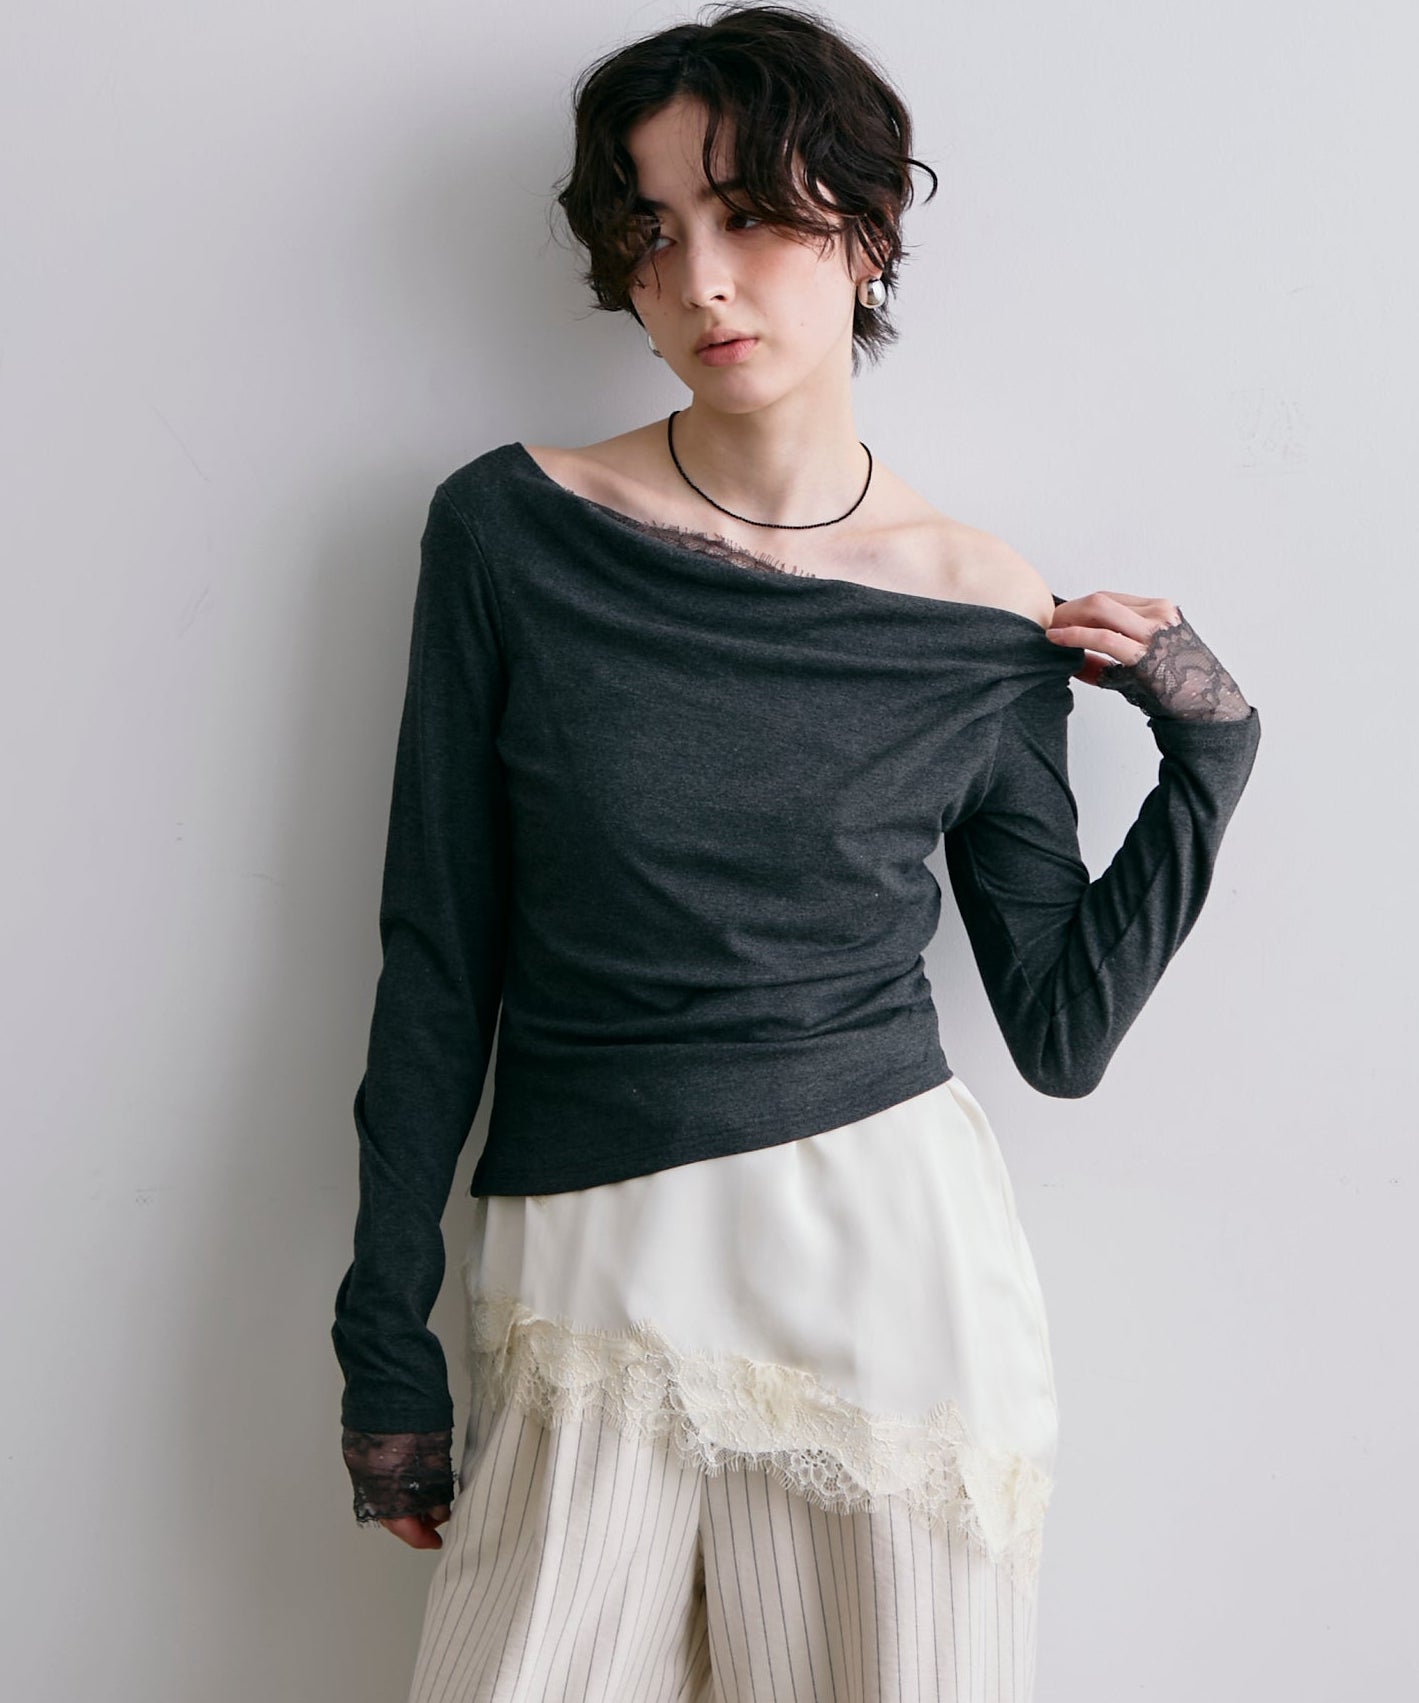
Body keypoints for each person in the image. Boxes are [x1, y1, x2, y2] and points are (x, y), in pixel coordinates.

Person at [330, 6, 1262, 1700]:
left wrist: (1209, 759)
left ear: (868, 228)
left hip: (890, 1291)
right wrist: (383, 1335)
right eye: (652, 231)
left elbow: (1058, 1031)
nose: (701, 281)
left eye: (752, 216)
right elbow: (439, 954)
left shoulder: (981, 613)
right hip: (589, 1276)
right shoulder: (512, 532)